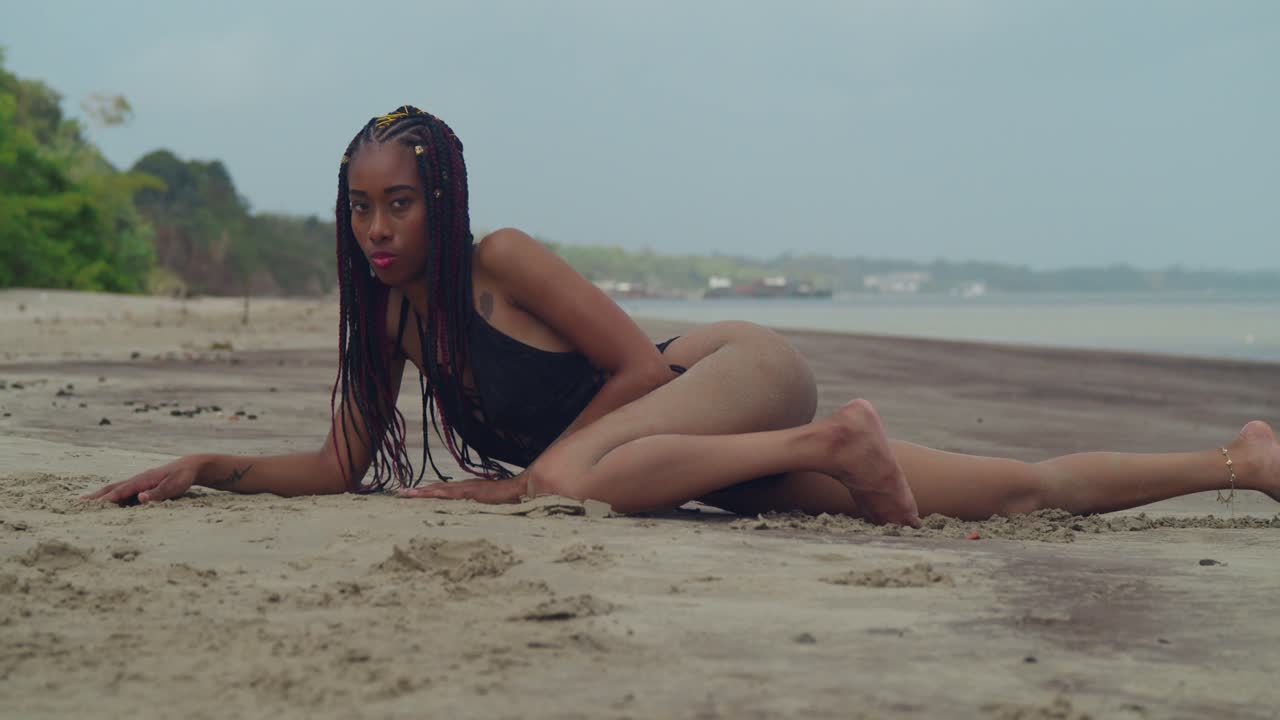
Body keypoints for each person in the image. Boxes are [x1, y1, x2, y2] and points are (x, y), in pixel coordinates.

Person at [85, 106, 1280, 528]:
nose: (378, 230)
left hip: (724, 379)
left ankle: (829, 439)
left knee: (571, 488)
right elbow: (339, 465)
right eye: (360, 209)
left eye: (399, 204)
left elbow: (632, 368)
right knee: (1007, 489)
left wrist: (537, 476)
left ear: (442, 203)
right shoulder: (387, 326)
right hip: (694, 457)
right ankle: (1238, 462)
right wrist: (208, 464)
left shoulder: (501, 259)